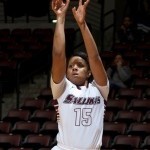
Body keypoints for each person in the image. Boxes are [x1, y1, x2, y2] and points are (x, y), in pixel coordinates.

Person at [50, 0, 109, 149]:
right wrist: (61, 18)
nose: (74, 68)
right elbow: (58, 55)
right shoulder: (62, 89)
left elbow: (94, 58)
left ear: (89, 72)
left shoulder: (100, 89)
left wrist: (82, 26)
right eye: (70, 66)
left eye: (80, 65)